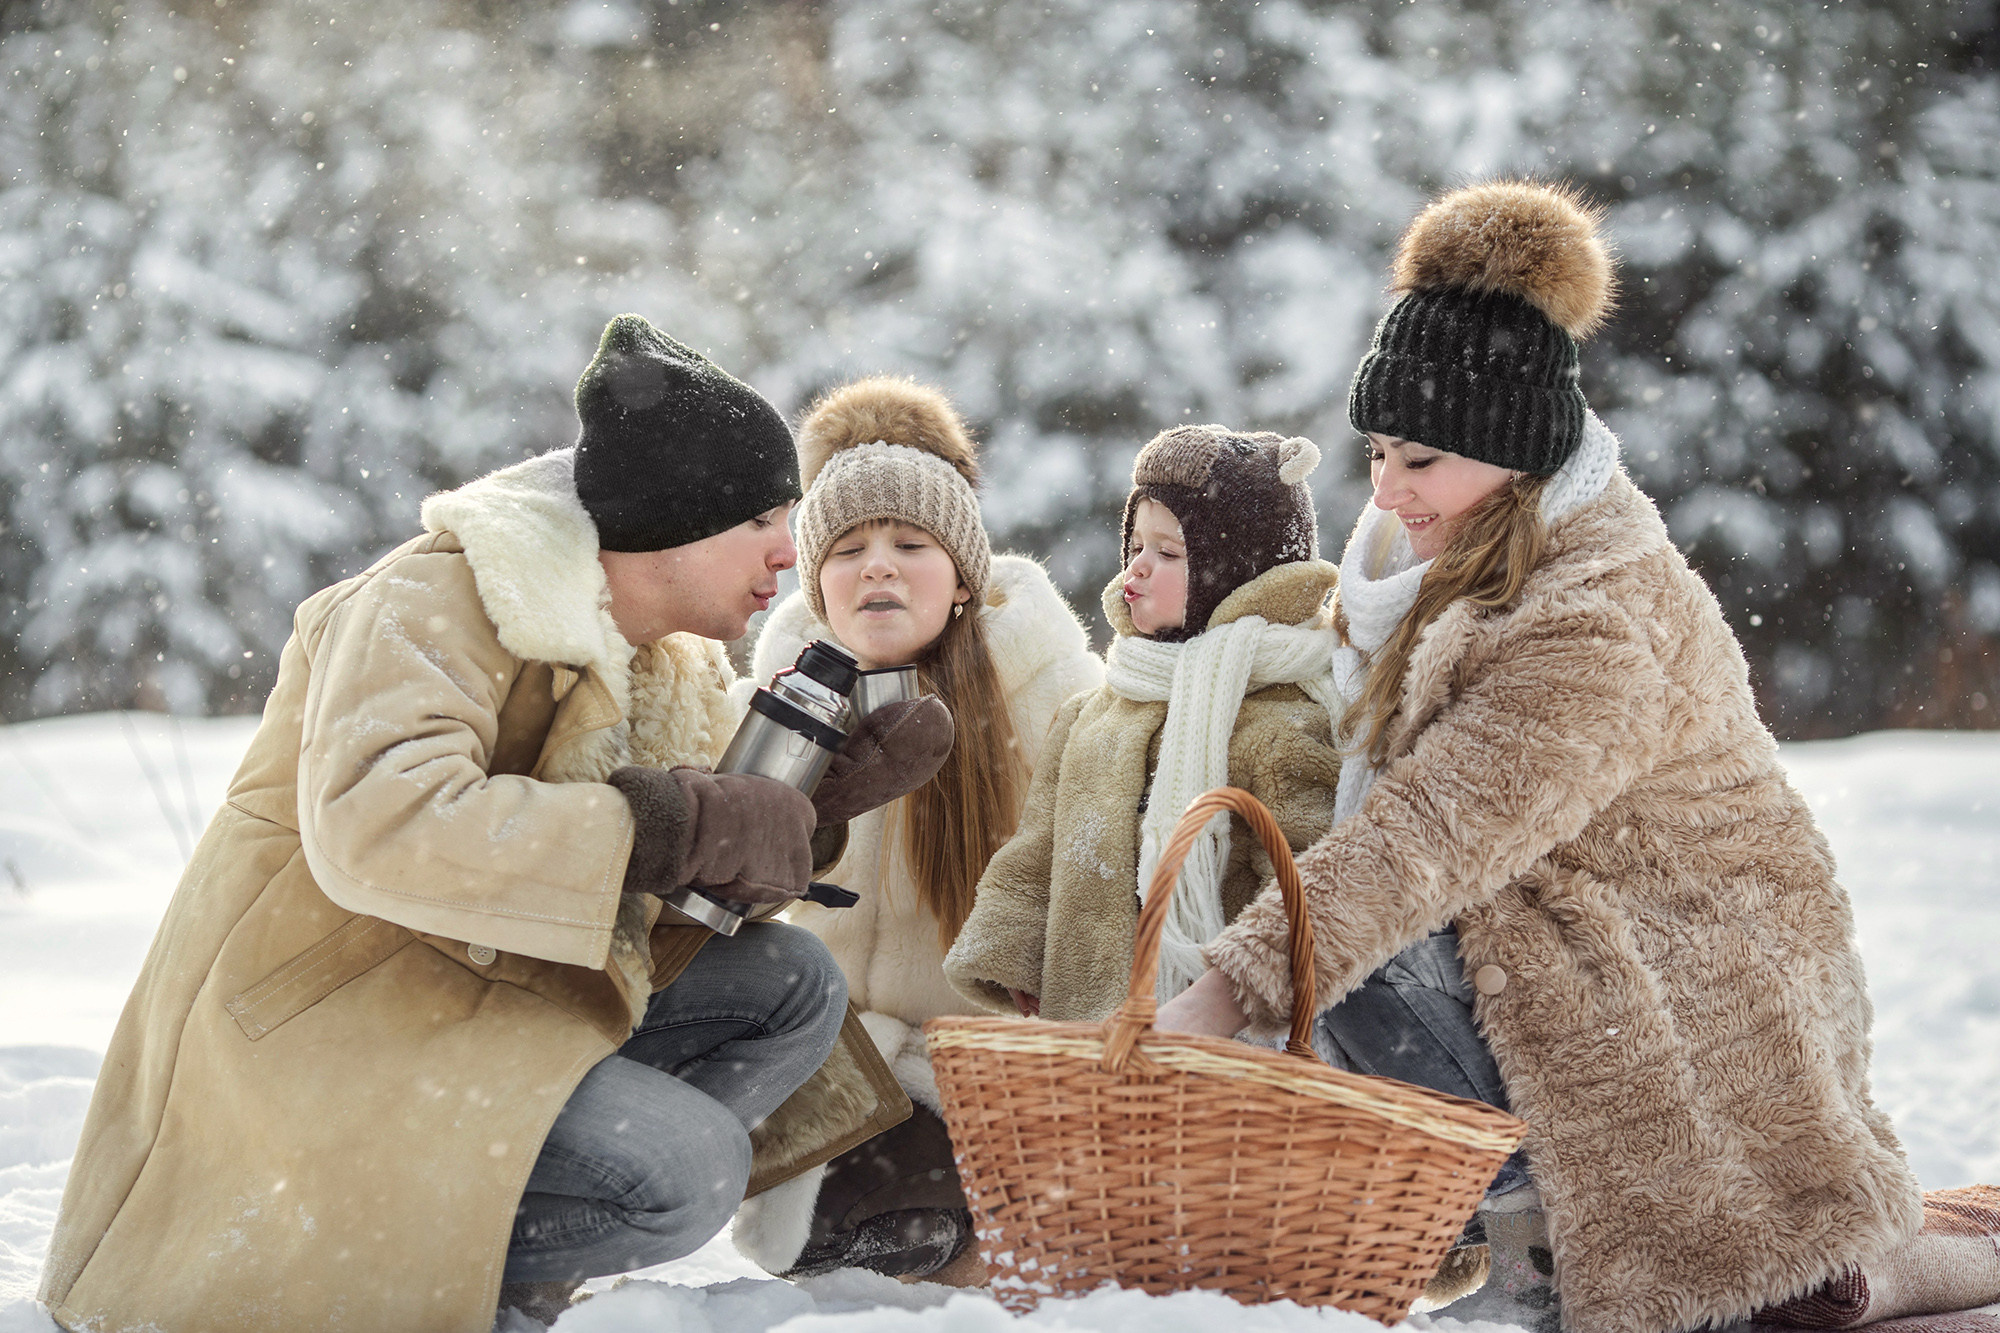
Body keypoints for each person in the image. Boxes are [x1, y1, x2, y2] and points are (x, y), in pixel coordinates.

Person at [1154, 182, 2000, 1333]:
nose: (1388, 491)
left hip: (1686, 986)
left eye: (1420, 462)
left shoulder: (1593, 615)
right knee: (1332, 925)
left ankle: (1547, 1246)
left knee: (1345, 951)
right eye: (1377, 454)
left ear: (1512, 460)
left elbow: (1431, 830)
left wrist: (1223, 991)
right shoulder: (1435, 561)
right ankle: (1520, 1225)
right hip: (1579, 926)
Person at [37, 316, 949, 1333]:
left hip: (479, 1001)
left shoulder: (666, 663)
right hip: (335, 1030)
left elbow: (639, 901)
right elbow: (385, 822)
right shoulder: (434, 600)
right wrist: (665, 821)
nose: (791, 550)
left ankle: (498, 1249)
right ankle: (397, 1271)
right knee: (683, 1172)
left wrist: (795, 815)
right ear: (676, 519)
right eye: (764, 520)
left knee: (792, 985)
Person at [730, 377, 1102, 1286]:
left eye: (910, 542)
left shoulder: (1054, 698)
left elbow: (1100, 892)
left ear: (965, 573)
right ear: (817, 581)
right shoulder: (770, 707)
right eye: (848, 547)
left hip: (994, 1081)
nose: (879, 567)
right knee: (850, 1230)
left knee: (932, 1225)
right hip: (824, 1080)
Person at [945, 425, 1343, 1026]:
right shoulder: (1095, 713)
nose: (1137, 568)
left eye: (1170, 553)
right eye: (1134, 546)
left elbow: (1303, 894)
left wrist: (1224, 1007)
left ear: (1237, 572)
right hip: (1076, 1031)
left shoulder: (1278, 727)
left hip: (1206, 1047)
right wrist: (1015, 957)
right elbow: (1038, 850)